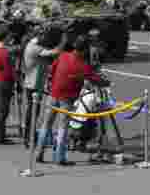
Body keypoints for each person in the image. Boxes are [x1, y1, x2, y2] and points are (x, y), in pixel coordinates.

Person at [35, 35, 107, 166]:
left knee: (46, 124)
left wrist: (51, 82)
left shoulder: (63, 56)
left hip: (54, 93)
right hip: (67, 98)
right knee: (62, 127)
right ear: (84, 50)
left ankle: (38, 153)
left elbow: (52, 69)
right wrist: (106, 82)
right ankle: (59, 158)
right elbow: (95, 79)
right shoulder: (82, 65)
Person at [20, 28, 62, 148]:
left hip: (31, 82)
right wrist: (62, 44)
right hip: (34, 84)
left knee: (32, 111)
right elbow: (53, 53)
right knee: (33, 112)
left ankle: (29, 135)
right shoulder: (35, 47)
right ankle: (29, 137)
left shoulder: (30, 45)